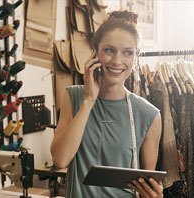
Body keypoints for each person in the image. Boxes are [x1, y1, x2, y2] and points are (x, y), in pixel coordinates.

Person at [51, 10, 163, 198]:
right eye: (109, 50)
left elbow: (147, 188)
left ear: (136, 57)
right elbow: (60, 160)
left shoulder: (149, 115)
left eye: (127, 53)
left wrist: (155, 195)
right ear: (95, 53)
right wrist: (89, 100)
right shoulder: (74, 97)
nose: (117, 61)